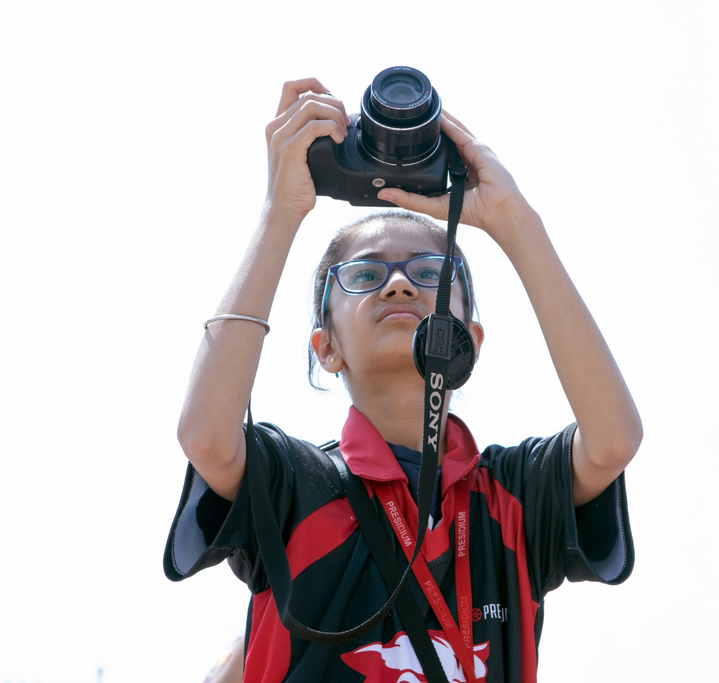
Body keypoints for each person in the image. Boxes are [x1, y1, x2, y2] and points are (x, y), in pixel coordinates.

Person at [164, 77, 642, 683]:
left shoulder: (510, 497)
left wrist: (514, 223)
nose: (398, 284)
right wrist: (280, 213)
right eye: (363, 275)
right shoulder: (295, 485)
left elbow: (613, 441)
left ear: (469, 337)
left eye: (428, 270)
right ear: (326, 348)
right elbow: (206, 435)